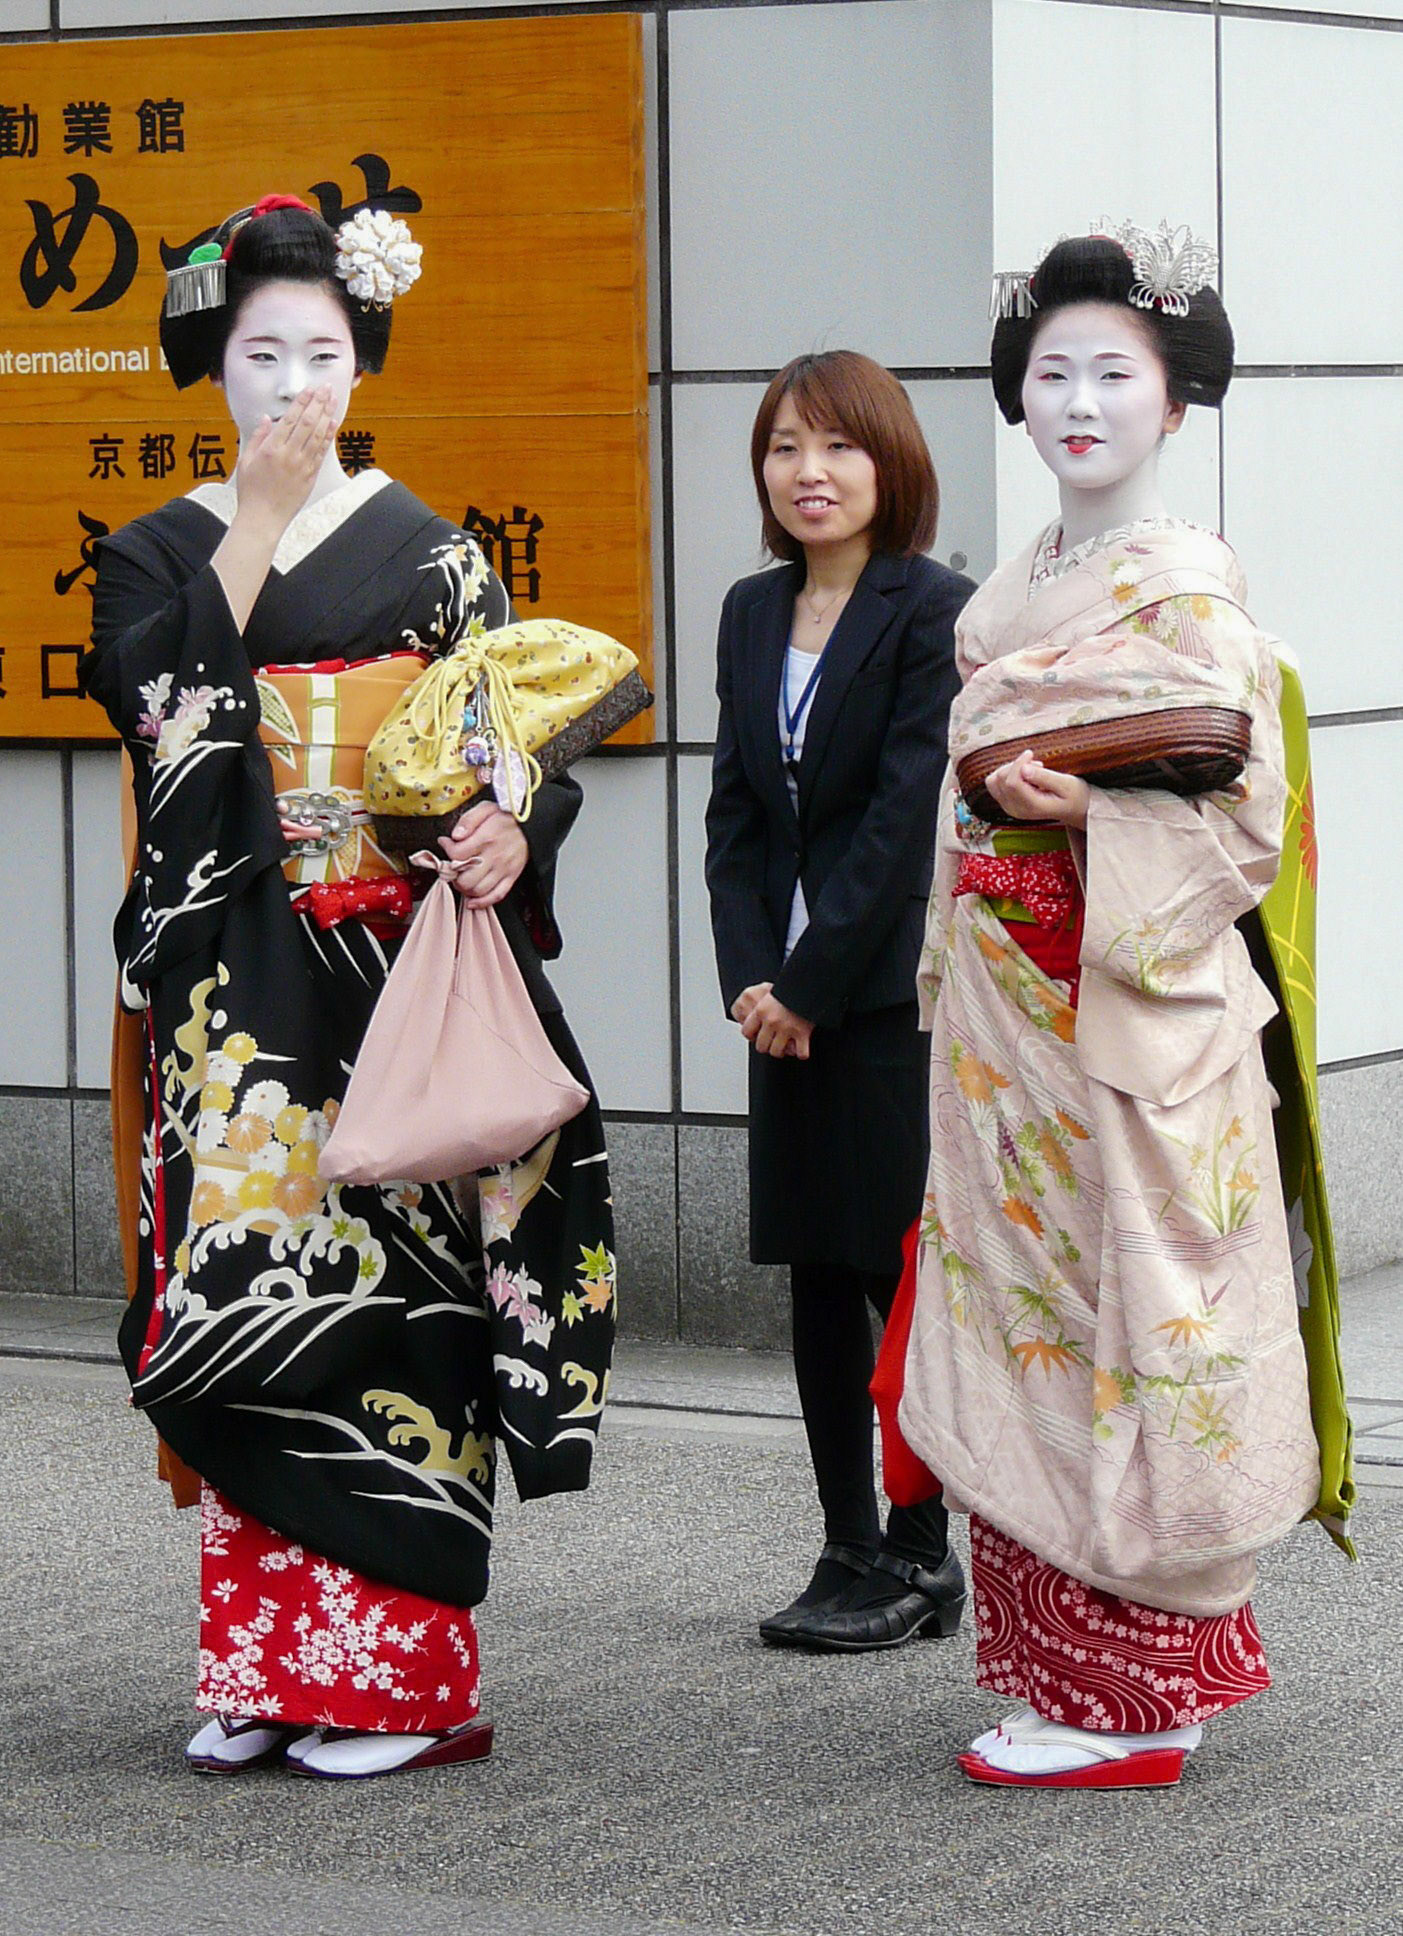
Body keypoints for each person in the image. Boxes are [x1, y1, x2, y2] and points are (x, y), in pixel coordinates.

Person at [81, 196, 616, 1781]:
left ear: (364, 356)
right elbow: (155, 708)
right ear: (214, 368)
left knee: (399, 1306)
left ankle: (405, 1681)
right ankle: (264, 1666)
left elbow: (505, 738)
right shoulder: (160, 551)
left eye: (323, 350)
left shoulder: (434, 553)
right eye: (261, 354)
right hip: (233, 995)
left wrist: (514, 830)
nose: (295, 386)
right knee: (245, 1297)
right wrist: (247, 527)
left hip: (387, 977)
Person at [880, 225, 1351, 1786]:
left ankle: (1129, 1698)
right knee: (1026, 1321)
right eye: (1054, 372)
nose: (1078, 401)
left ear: (1173, 401)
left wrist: (1081, 817)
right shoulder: (1016, 589)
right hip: (1010, 1025)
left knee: (1136, 1321)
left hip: (1130, 1024)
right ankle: (1075, 1680)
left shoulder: (1190, 594)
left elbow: (1246, 828)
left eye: (1114, 374)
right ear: (1020, 396)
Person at [704, 350, 974, 1651]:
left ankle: (923, 1559)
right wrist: (756, 982)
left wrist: (810, 984)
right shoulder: (751, 614)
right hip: (786, 1006)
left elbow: (905, 813)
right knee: (812, 1270)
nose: (809, 473)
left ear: (890, 462)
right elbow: (739, 819)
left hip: (883, 1000)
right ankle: (843, 1544)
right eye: (783, 448)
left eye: (837, 447)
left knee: (893, 1271)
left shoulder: (935, 611)